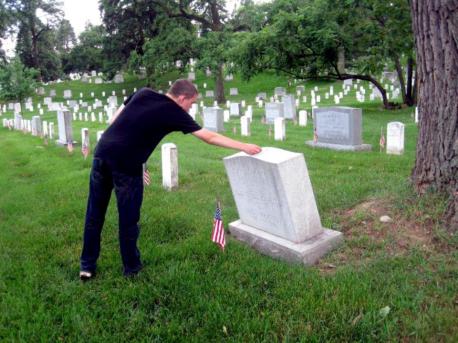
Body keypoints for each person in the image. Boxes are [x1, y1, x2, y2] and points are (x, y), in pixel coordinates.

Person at [79, 79, 261, 279]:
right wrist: (243, 146)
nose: (190, 108)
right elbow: (209, 137)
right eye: (191, 103)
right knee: (128, 219)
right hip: (127, 164)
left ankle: (86, 266)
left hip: (102, 153)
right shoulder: (174, 112)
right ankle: (131, 269)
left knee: (94, 213)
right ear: (182, 98)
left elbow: (114, 119)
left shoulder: (143, 93)